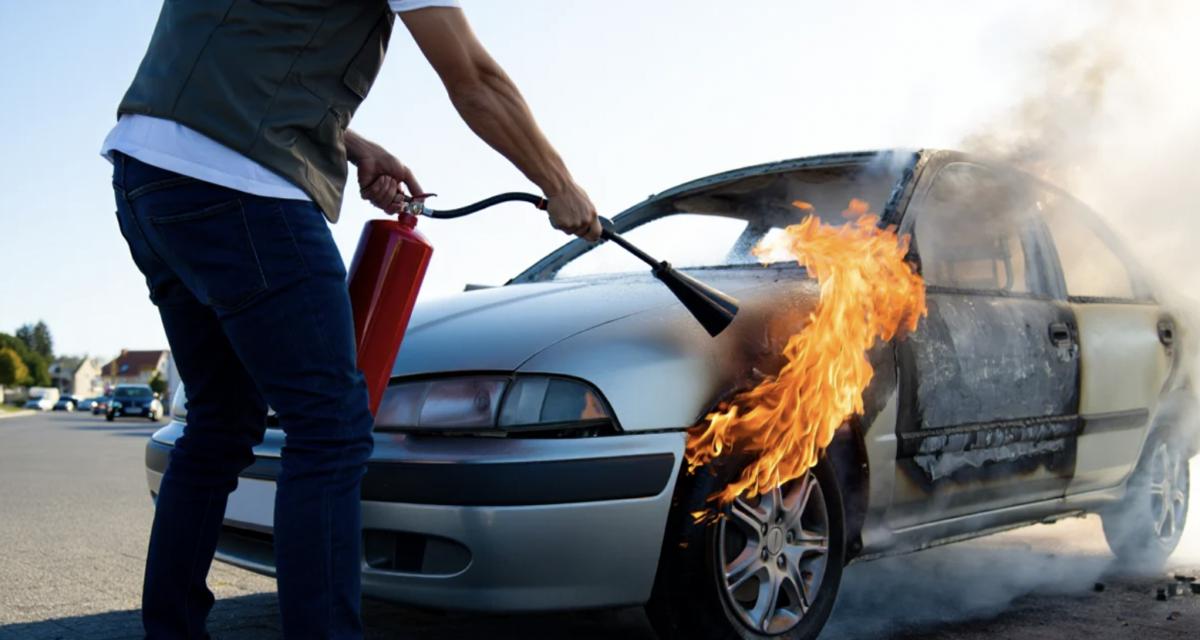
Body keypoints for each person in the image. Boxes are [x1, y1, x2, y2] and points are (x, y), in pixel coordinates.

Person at [101, 2, 601, 638]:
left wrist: (347, 143)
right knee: (330, 429)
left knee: (220, 424)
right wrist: (560, 183)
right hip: (243, 186)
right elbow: (473, 75)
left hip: (146, 177)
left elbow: (240, 48)